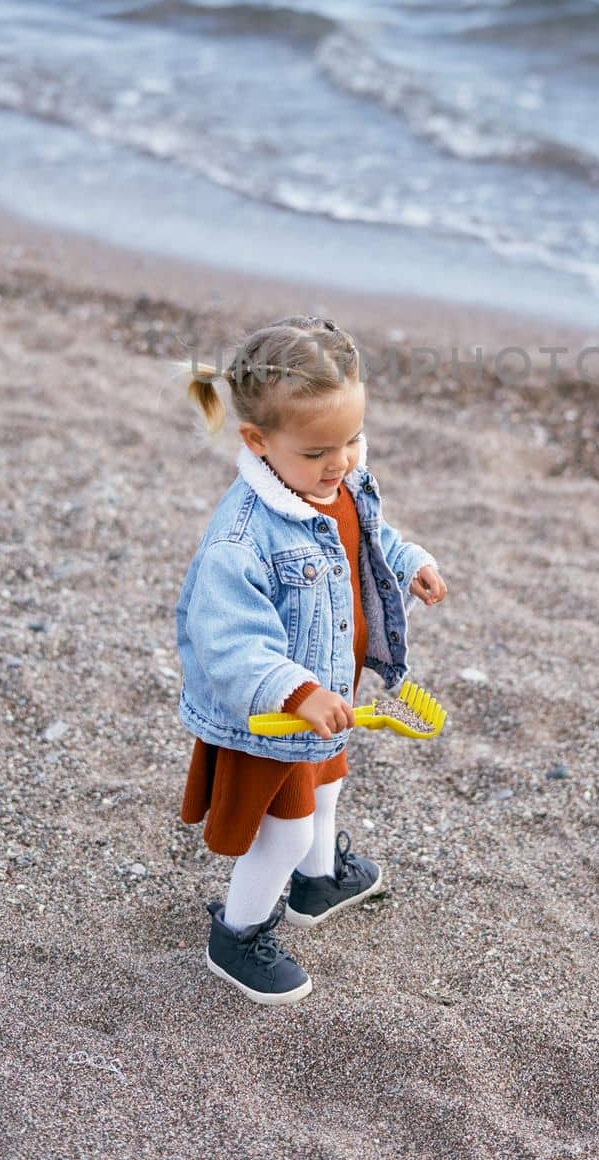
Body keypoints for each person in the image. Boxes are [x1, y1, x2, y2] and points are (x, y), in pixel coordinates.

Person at [172, 313, 448, 1004]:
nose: (342, 461)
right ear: (258, 441)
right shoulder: (240, 538)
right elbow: (230, 642)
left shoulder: (340, 481)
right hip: (273, 712)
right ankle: (236, 935)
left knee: (327, 789)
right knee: (285, 828)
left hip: (331, 691)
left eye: (353, 438)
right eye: (320, 449)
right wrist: (294, 693)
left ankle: (318, 884)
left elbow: (368, 539)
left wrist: (409, 561)